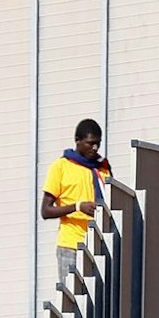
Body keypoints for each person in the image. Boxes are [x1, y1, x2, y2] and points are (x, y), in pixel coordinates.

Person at [39, 118, 111, 286]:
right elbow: (45, 211)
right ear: (77, 141)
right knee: (73, 301)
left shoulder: (102, 168)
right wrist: (78, 206)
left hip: (99, 245)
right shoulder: (61, 167)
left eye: (98, 144)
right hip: (71, 246)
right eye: (90, 143)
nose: (95, 148)